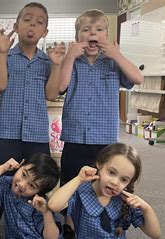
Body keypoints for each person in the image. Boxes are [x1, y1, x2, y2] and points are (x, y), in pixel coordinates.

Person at [0, 1, 66, 239]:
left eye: (39, 22)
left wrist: (56, 64)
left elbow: (51, 94)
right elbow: (0, 85)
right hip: (7, 131)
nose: (32, 25)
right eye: (27, 20)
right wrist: (1, 52)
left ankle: (30, 228)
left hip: (36, 134)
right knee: (1, 182)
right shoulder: (6, 54)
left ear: (45, 32)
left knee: (36, 182)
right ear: (16, 25)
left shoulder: (47, 60)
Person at [58, 9, 144, 187]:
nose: (92, 33)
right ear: (77, 37)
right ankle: (69, 216)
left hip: (105, 137)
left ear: (106, 35)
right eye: (86, 29)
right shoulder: (72, 61)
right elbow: (60, 86)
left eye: (99, 29)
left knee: (103, 183)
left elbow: (138, 78)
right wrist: (69, 56)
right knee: (71, 182)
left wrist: (116, 55)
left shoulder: (113, 61)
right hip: (75, 136)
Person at [48, 143, 161, 239]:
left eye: (124, 180)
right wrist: (78, 179)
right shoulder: (81, 192)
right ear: (100, 164)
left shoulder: (125, 200)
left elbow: (155, 234)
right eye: (111, 172)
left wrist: (147, 208)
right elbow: (54, 205)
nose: (115, 182)